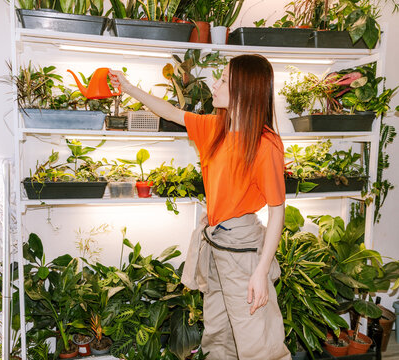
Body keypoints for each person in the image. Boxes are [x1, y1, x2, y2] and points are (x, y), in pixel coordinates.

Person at [109, 54, 291, 360]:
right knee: (219, 333)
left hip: (243, 250)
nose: (214, 86)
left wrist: (261, 272)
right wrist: (128, 87)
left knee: (257, 340)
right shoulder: (216, 129)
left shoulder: (264, 144)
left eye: (222, 81)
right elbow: (169, 111)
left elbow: (277, 211)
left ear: (243, 91)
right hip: (217, 243)